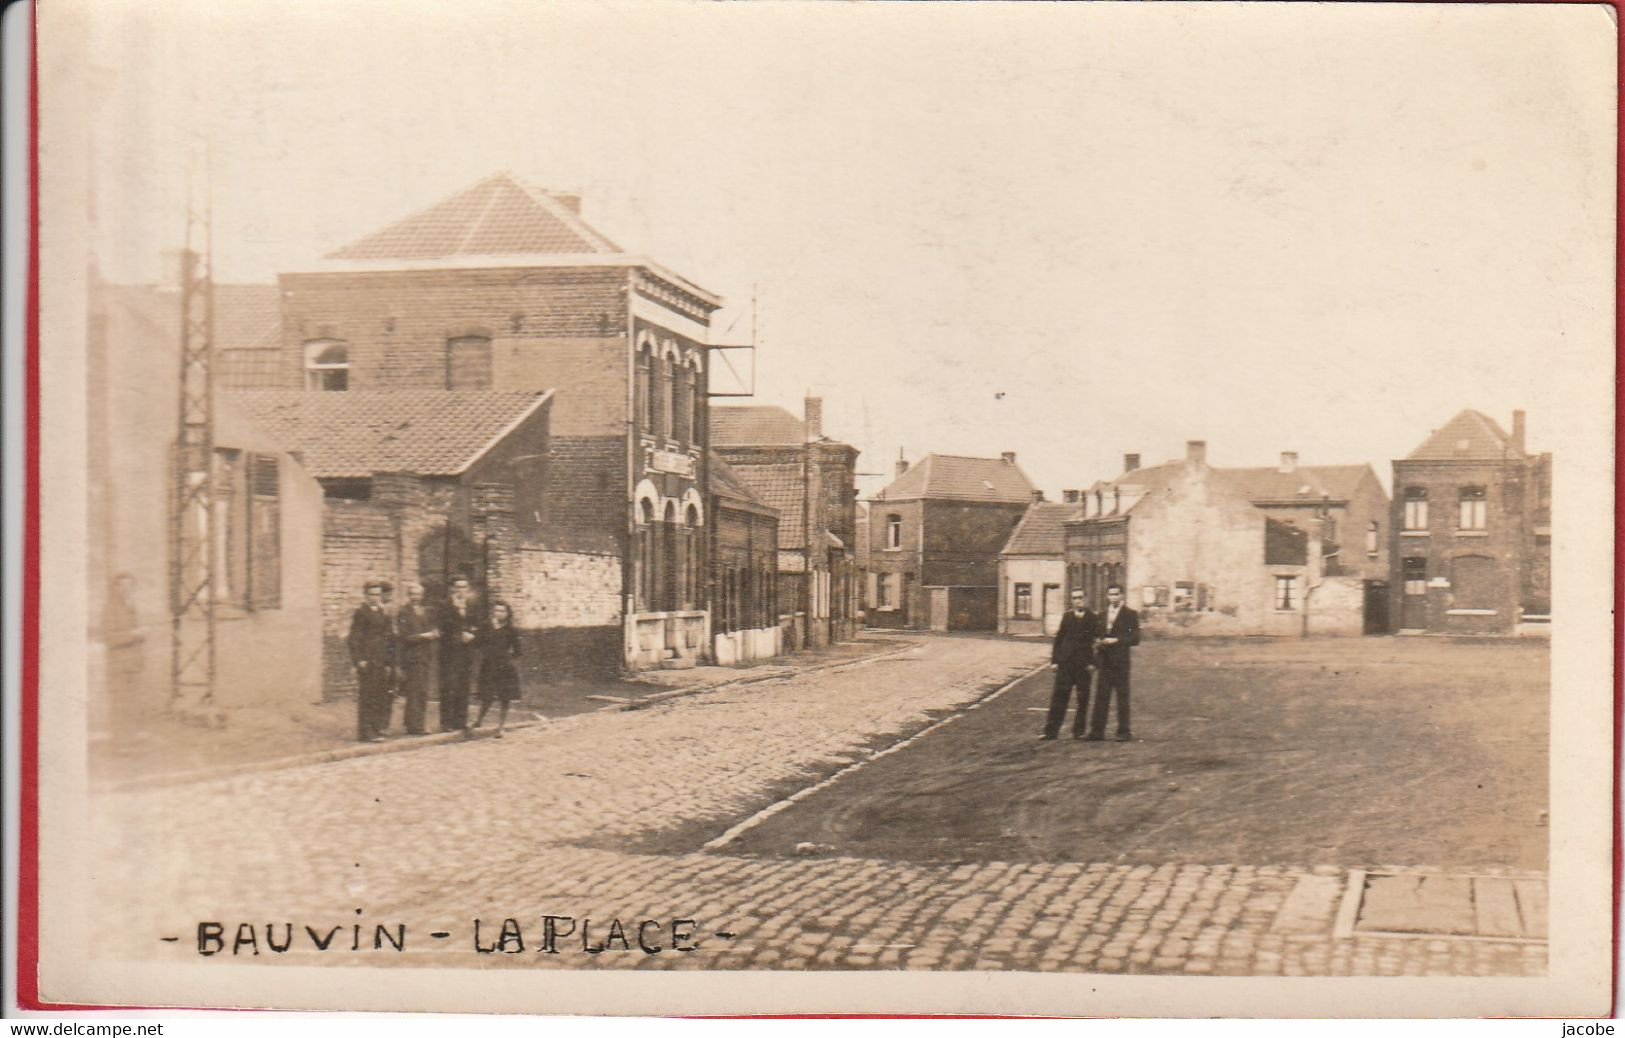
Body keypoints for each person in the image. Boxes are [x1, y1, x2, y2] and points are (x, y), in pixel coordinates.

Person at [1041, 589, 1102, 741]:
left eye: (1081, 597)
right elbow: (1059, 640)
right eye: (1075, 598)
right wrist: (1055, 661)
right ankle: (1051, 731)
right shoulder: (1067, 617)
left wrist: (1094, 663)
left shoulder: (1093, 618)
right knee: (1059, 698)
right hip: (1066, 665)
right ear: (1072, 600)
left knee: (1082, 700)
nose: (1078, 601)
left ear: (1086, 599)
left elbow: (1099, 643)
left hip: (1084, 666)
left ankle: (1078, 731)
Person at [1087, 583, 1141, 741]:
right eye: (1111, 595)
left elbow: (1135, 638)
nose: (1113, 598)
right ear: (1107, 596)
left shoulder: (1130, 614)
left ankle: (1123, 732)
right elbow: (1096, 633)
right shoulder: (1102, 614)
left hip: (1121, 662)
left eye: (1116, 594)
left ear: (1122, 595)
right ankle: (1097, 732)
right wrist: (1098, 640)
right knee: (1101, 696)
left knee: (1122, 697)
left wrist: (1116, 640)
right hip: (1104, 662)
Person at [346, 580, 396, 742]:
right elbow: (354, 638)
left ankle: (377, 729)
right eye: (372, 594)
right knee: (368, 695)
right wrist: (359, 659)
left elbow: (389, 638)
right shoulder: (361, 613)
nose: (375, 598)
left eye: (378, 594)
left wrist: (389, 661)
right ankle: (366, 732)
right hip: (368, 661)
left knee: (379, 696)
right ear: (366, 595)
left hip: (381, 660)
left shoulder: (382, 613)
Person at [393, 581, 439, 736]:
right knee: (414, 691)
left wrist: (434, 632)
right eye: (413, 594)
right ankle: (415, 726)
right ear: (408, 595)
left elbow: (430, 628)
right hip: (411, 657)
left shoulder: (424, 611)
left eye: (418, 594)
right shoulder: (404, 613)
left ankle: (415, 723)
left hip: (424, 656)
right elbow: (404, 637)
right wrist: (424, 636)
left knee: (422, 691)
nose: (416, 597)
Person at [437, 575, 481, 732]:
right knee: (449, 686)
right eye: (458, 587)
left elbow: (478, 624)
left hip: (466, 652)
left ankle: (460, 721)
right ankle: (446, 723)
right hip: (449, 652)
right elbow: (443, 626)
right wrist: (456, 609)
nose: (461, 590)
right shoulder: (445, 605)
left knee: (464, 686)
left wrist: (472, 634)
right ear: (453, 589)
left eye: (464, 587)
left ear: (468, 589)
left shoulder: (472, 605)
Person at [472, 600, 522, 737]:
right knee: (487, 695)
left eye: (502, 611)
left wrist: (506, 657)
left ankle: (501, 726)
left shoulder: (511, 630)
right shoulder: (486, 627)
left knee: (504, 698)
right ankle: (479, 720)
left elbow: (518, 651)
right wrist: (485, 652)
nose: (498, 614)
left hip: (504, 667)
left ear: (507, 614)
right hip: (488, 665)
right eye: (496, 611)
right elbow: (477, 643)